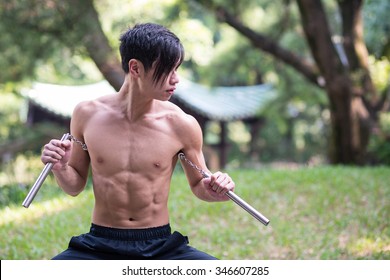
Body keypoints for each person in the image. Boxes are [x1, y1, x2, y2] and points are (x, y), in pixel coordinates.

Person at [41, 23, 235, 260]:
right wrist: (61, 167)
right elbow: (75, 186)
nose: (176, 80)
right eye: (168, 70)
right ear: (135, 68)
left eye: (177, 69)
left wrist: (216, 188)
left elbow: (199, 184)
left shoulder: (181, 124)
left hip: (160, 246)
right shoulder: (87, 115)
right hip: (100, 244)